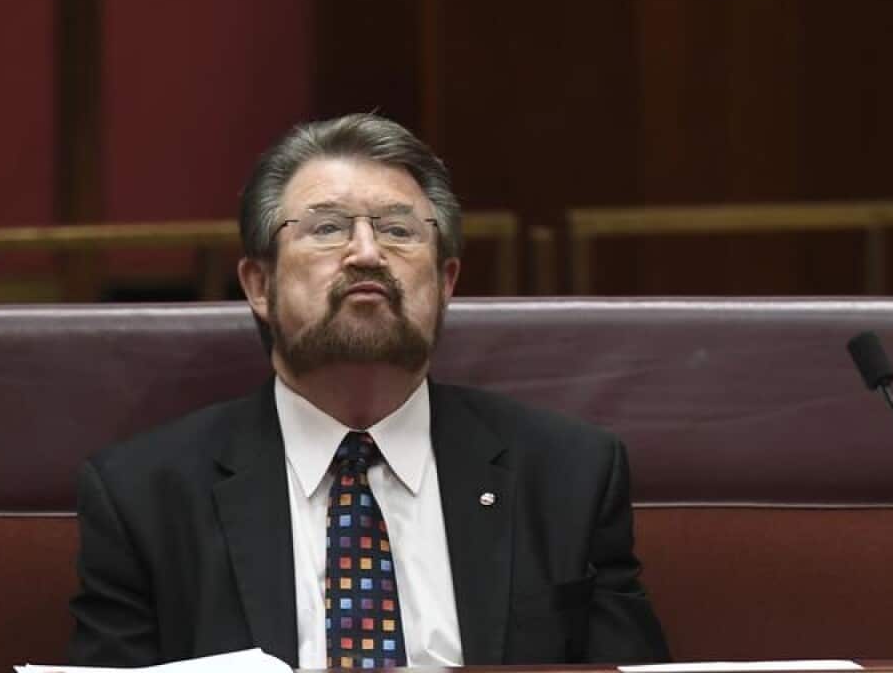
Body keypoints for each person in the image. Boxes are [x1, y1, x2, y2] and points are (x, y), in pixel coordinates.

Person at [67, 113, 670, 668]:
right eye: (327, 228)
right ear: (259, 284)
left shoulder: (567, 475)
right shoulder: (144, 497)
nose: (366, 253)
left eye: (400, 231)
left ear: (446, 280)